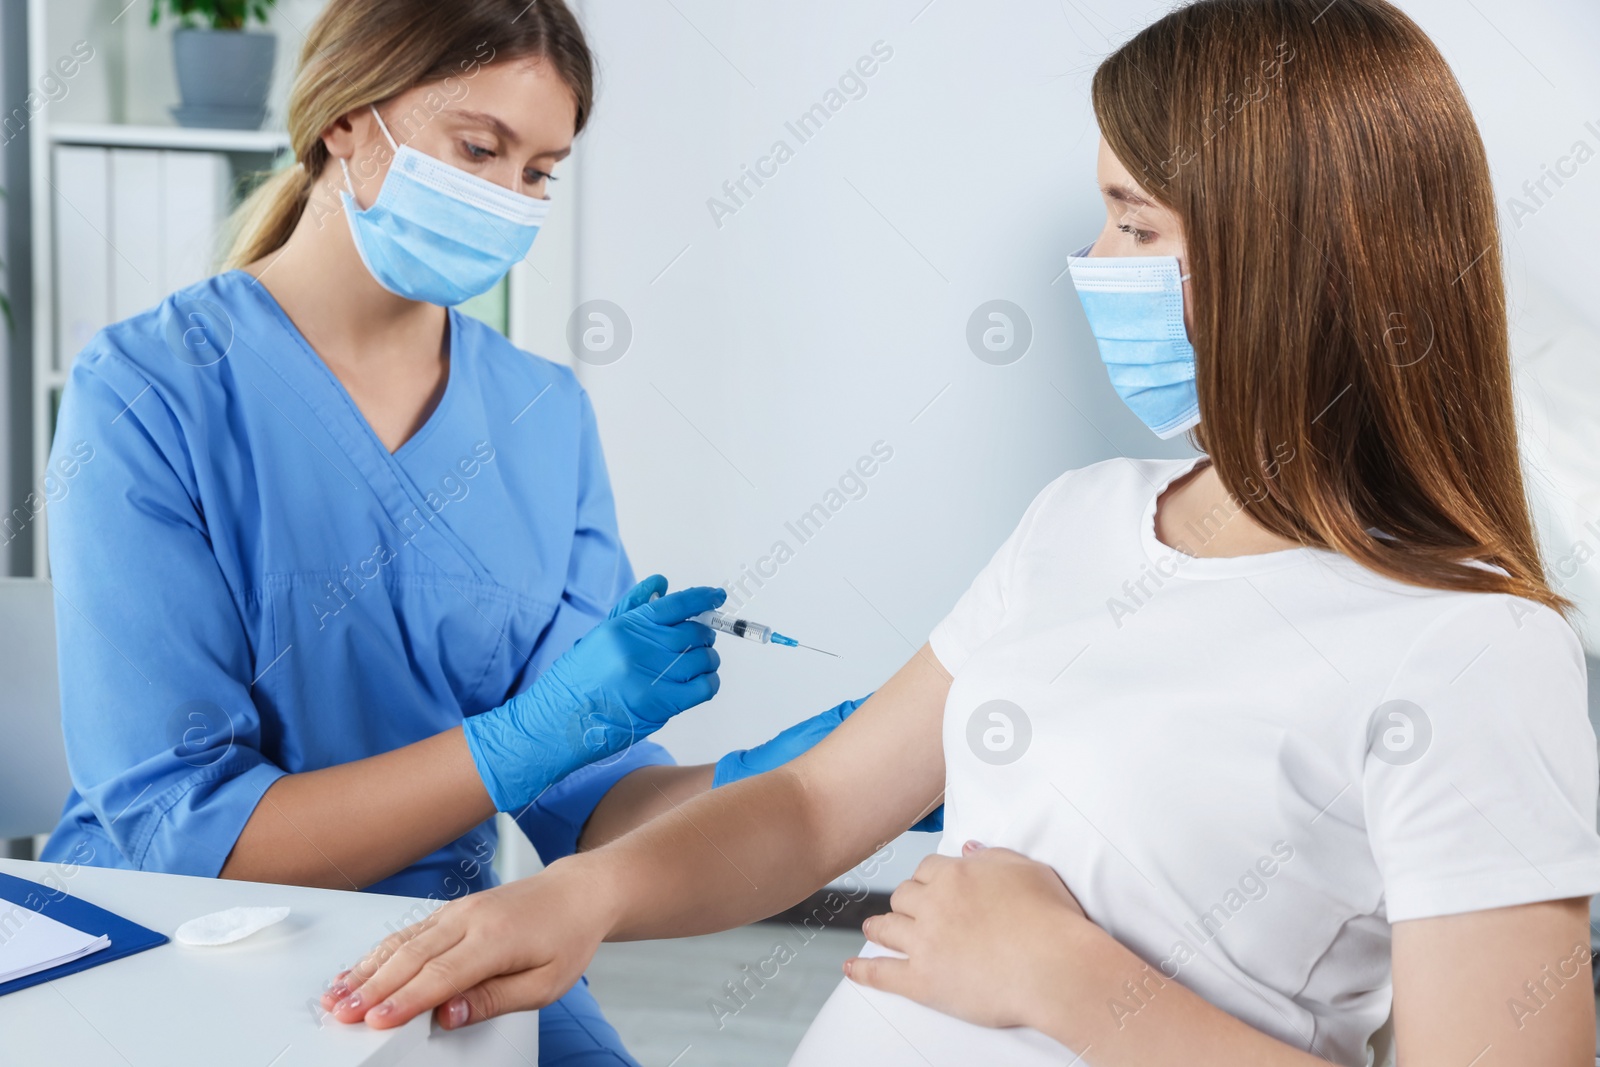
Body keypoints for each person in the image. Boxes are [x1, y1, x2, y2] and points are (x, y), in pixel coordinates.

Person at [319, 1, 1600, 1064]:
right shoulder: (1090, 515)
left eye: (1138, 224)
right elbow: (819, 804)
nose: (1095, 257)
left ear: (1297, 261)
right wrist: (585, 894)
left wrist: (1067, 977)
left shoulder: (1472, 647)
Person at [39, 2, 900, 1063]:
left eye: (538, 171)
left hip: (444, 938)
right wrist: (528, 732)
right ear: (347, 122)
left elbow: (588, 807)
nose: (506, 198)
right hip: (185, 937)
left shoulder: (542, 415)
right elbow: (191, 834)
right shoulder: (147, 391)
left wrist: (810, 774)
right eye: (478, 148)